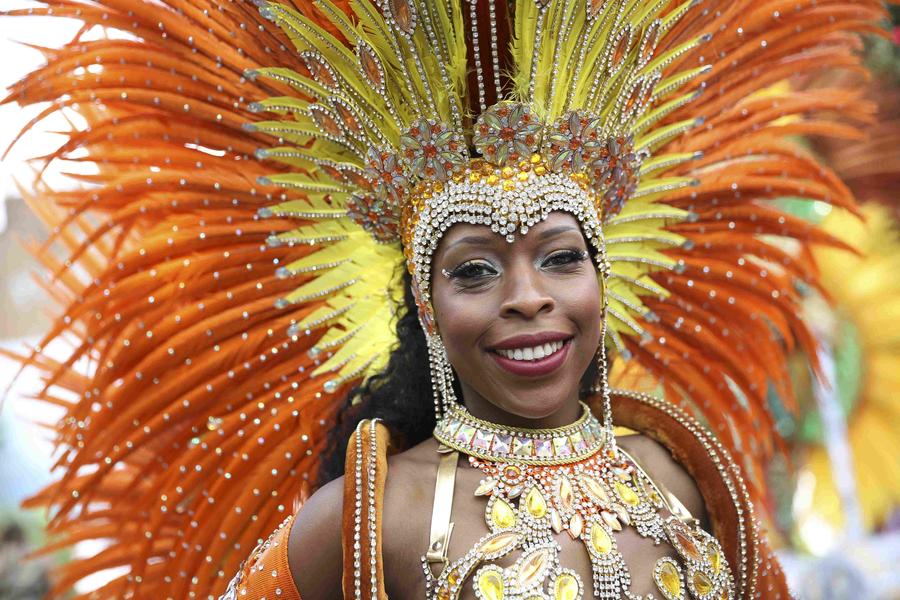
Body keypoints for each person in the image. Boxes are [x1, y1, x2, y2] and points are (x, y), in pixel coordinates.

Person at [5, 0, 887, 598]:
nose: (528, 298)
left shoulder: (683, 468)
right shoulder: (371, 514)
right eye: (474, 270)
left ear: (601, 282)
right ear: (425, 307)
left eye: (560, 258)